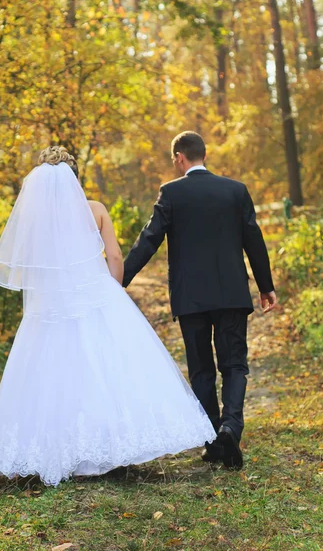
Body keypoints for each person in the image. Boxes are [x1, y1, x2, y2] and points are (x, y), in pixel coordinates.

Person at [0, 146, 216, 486]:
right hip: (95, 296)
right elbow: (115, 256)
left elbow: (31, 268)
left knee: (51, 376)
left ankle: (56, 451)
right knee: (107, 370)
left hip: (49, 307)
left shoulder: (34, 220)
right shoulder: (95, 210)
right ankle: (110, 450)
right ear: (74, 178)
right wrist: (113, 291)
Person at [123, 131, 277, 469]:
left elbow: (149, 240)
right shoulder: (235, 191)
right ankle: (230, 429)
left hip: (191, 297)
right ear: (202, 155)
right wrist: (266, 286)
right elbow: (254, 238)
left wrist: (119, 279)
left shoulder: (172, 193)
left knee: (202, 369)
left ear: (180, 157)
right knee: (234, 364)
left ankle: (212, 439)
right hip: (232, 294)